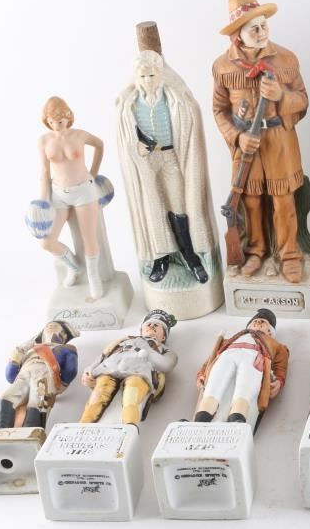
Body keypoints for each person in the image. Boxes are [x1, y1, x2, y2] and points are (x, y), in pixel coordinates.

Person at [213, 0, 310, 283]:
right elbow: (219, 110)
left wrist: (281, 96)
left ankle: (289, 254)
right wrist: (237, 137)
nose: (261, 32)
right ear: (237, 36)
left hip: (279, 141)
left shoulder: (286, 59)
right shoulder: (223, 67)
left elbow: (303, 100)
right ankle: (255, 249)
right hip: (247, 146)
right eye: (253, 28)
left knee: (283, 200)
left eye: (263, 25)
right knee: (251, 201)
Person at [116, 48, 215, 284]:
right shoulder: (129, 104)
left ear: (160, 75)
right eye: (142, 76)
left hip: (170, 157)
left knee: (179, 206)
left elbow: (187, 121)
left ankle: (191, 257)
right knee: (153, 207)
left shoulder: (174, 98)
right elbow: (125, 134)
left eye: (151, 75)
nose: (147, 81)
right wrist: (136, 145)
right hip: (146, 161)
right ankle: (161, 258)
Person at [37, 97, 106, 299]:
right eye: (51, 122)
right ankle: (74, 267)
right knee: (47, 241)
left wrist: (94, 172)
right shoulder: (44, 140)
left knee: (89, 238)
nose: (56, 125)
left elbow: (100, 145)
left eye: (60, 121)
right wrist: (42, 200)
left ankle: (93, 276)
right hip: (58, 194)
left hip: (84, 191)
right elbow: (44, 172)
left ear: (68, 117)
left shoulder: (80, 135)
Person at [79, 310, 178, 425]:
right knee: (98, 396)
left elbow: (166, 365)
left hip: (139, 373)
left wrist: (144, 346)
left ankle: (129, 426)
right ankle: (84, 426)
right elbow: (105, 354)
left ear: (164, 336)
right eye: (148, 324)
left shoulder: (165, 350)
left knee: (132, 397)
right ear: (141, 330)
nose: (151, 326)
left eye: (156, 325)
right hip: (110, 368)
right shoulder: (125, 339)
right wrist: (90, 369)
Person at [195, 309, 288, 428]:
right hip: (227, 356)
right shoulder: (229, 340)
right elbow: (209, 361)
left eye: (262, 322)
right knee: (213, 387)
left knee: (244, 391)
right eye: (255, 321)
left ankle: (237, 421)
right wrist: (202, 375)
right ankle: (200, 420)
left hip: (253, 358)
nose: (257, 322)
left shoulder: (276, 345)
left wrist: (279, 380)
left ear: (270, 332)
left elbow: (281, 366)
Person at [0, 320, 79, 429]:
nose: (50, 328)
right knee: (6, 397)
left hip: (44, 375)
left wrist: (60, 385)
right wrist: (15, 357)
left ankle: (32, 432)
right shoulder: (30, 350)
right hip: (23, 376)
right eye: (48, 327)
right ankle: (1, 431)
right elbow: (11, 377)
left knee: (37, 402)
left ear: (63, 334)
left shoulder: (66, 349)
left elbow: (71, 370)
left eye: (54, 327)